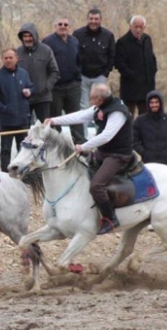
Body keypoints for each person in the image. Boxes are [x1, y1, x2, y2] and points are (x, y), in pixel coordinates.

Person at [44, 83, 133, 235]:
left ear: (100, 98)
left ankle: (110, 219)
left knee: (96, 185)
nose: (90, 101)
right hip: (104, 152)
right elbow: (79, 116)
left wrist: (83, 147)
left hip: (118, 155)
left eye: (92, 98)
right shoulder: (101, 106)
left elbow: (106, 136)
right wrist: (53, 120)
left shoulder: (117, 112)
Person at [0, 49, 34, 172]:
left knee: (23, 149)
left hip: (23, 120)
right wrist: (3, 108)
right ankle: (5, 174)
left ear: (16, 58)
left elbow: (30, 87)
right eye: (5, 58)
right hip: (6, 120)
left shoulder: (23, 74)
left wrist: (29, 92)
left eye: (10, 58)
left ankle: (23, 172)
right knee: (5, 149)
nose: (8, 60)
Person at [42, 16, 87, 145]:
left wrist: (78, 76)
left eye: (66, 25)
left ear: (70, 27)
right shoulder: (48, 42)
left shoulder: (74, 41)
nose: (63, 26)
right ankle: (57, 145)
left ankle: (79, 144)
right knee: (55, 118)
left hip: (73, 85)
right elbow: (44, 64)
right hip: (56, 88)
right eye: (60, 24)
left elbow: (79, 60)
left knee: (76, 117)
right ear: (55, 26)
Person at [115, 15, 158, 117]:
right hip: (130, 87)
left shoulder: (147, 39)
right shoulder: (122, 42)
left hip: (147, 85)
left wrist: (153, 71)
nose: (138, 29)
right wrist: (132, 75)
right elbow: (120, 64)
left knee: (145, 116)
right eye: (136, 27)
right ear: (130, 26)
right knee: (128, 116)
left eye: (141, 27)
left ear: (144, 27)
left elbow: (151, 57)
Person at [17, 22, 60, 123]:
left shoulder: (46, 50)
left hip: (43, 98)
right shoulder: (17, 52)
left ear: (35, 35)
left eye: (30, 35)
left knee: (45, 130)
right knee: (23, 129)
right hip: (23, 99)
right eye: (25, 36)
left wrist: (46, 87)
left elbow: (55, 72)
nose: (27, 39)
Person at [73, 8, 115, 109]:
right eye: (91, 19)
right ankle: (84, 125)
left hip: (100, 76)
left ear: (100, 20)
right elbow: (73, 55)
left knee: (101, 104)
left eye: (96, 19)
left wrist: (106, 72)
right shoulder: (78, 34)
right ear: (87, 19)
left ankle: (100, 124)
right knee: (84, 105)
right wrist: (77, 72)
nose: (93, 21)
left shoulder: (108, 35)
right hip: (83, 76)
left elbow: (112, 55)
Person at [133, 90, 167, 166]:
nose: (154, 105)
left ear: (161, 103)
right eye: (151, 102)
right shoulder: (140, 121)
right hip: (147, 162)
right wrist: (144, 153)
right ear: (148, 104)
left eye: (156, 102)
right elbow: (134, 140)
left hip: (166, 162)